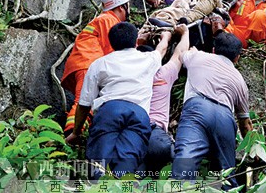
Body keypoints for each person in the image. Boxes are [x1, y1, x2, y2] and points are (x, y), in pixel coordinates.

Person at [65, 22, 172, 179]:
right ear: (135, 40)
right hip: (139, 115)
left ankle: (97, 186)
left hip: (109, 111)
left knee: (99, 162)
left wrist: (76, 132)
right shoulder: (148, 59)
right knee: (127, 164)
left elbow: (84, 104)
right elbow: (161, 49)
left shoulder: (99, 64)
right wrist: (166, 36)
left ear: (111, 42)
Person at [171, 32, 253, 189]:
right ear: (237, 58)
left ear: (214, 50)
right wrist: (253, 149)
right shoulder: (239, 80)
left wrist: (186, 36)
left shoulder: (198, 57)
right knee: (226, 173)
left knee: (186, 161)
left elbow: (181, 54)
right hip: (225, 118)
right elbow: (245, 123)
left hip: (197, 110)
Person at [61, 0, 131, 135]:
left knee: (89, 103)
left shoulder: (103, 19)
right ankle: (70, 136)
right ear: (122, 6)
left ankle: (79, 134)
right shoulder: (108, 19)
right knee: (82, 102)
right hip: (87, 64)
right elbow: (112, 49)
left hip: (83, 63)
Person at [140, 24, 190, 177]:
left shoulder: (129, 75)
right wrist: (185, 33)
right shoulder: (164, 74)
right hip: (157, 137)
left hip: (133, 133)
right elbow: (180, 52)